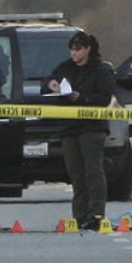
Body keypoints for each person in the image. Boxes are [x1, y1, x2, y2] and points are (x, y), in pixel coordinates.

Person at [41, 30, 115, 231]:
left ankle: (96, 214)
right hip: (69, 127)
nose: (74, 54)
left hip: (92, 127)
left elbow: (104, 99)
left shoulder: (101, 70)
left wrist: (81, 97)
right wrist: (51, 84)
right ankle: (80, 216)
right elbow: (45, 84)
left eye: (78, 49)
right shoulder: (65, 68)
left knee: (93, 171)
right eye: (71, 49)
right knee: (76, 174)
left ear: (88, 49)